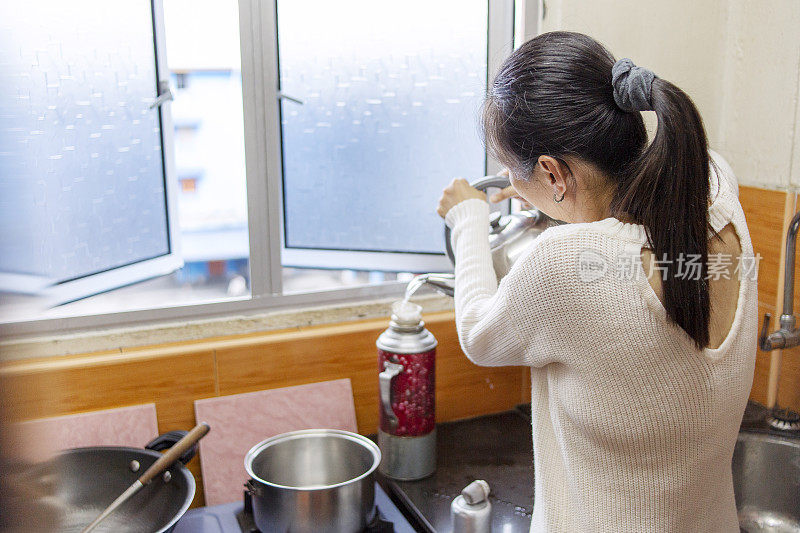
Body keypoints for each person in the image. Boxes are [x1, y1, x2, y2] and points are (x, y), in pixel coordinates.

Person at [436, 31, 756, 532]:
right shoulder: (716, 188)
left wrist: (469, 219)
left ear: (552, 173)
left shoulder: (563, 264)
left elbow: (478, 332)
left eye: (513, 170)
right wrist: (556, 200)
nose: (508, 177)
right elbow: (629, 243)